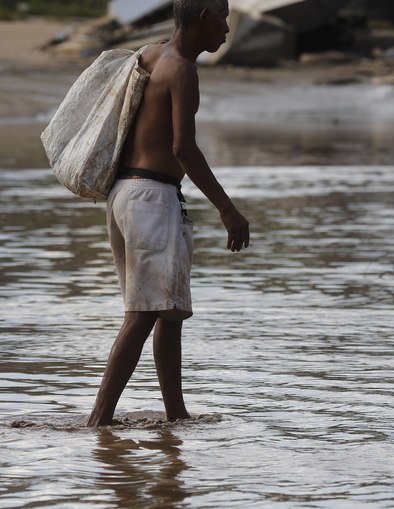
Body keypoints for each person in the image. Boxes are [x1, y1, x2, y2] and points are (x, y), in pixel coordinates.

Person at [87, 0, 250, 427]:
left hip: (127, 194)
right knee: (141, 315)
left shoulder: (149, 52)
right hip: (151, 201)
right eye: (223, 19)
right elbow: (183, 148)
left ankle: (175, 416)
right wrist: (227, 209)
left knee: (168, 311)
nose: (227, 30)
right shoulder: (182, 70)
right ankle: (98, 422)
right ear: (203, 18)